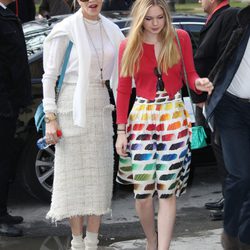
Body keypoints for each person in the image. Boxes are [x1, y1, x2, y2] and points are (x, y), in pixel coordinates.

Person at [115, 0, 213, 249]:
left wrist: (198, 82)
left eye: (160, 17)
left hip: (173, 118)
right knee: (143, 195)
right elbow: (124, 91)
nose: (156, 23)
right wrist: (121, 131)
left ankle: (163, 248)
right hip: (142, 120)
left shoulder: (179, 38)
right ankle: (152, 240)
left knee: (167, 191)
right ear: (140, 19)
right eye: (149, 19)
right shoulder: (129, 45)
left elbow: (189, 74)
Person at [42, 0, 124, 249]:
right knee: (73, 180)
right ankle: (77, 243)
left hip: (100, 105)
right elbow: (49, 77)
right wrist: (50, 117)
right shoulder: (65, 29)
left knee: (98, 179)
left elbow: (121, 77)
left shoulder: (113, 30)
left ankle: (92, 242)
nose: (92, 1)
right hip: (69, 107)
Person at [203, 5, 250, 250]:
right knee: (241, 175)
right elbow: (206, 55)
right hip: (231, 107)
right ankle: (231, 232)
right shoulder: (237, 19)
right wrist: (202, 92)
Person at [192, 0, 239, 221]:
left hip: (221, 97)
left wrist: (202, 96)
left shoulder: (228, 17)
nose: (199, 1)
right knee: (220, 150)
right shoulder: (219, 18)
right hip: (214, 97)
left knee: (227, 152)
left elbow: (212, 58)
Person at [0, 0, 31, 237]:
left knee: (5, 161)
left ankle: (2, 212)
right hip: (3, 104)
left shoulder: (6, 14)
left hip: (8, 102)